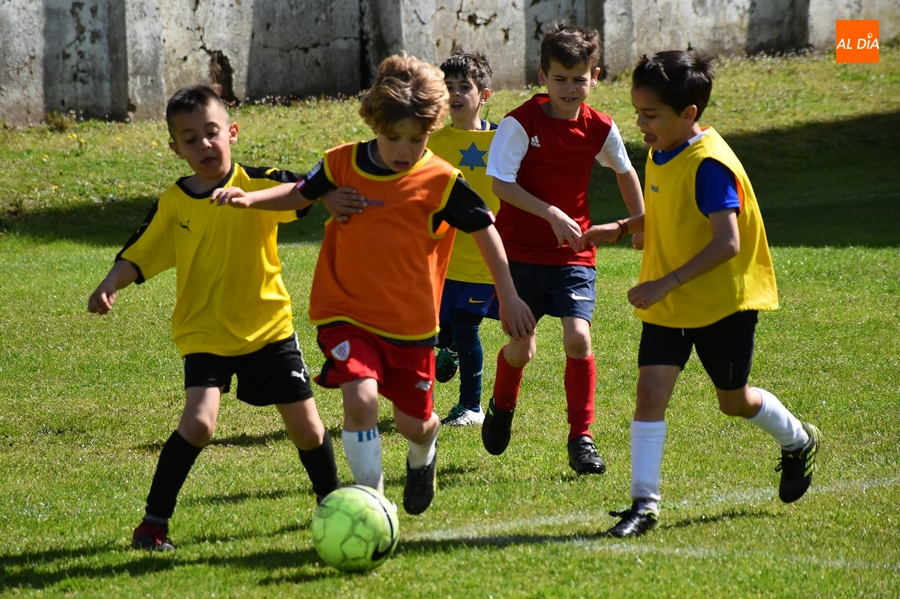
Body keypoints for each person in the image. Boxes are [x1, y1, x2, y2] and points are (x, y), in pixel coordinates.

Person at [212, 53, 535, 515]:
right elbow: (300, 192)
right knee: (359, 396)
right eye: (393, 137)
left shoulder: (441, 180)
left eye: (417, 138)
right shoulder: (342, 163)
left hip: (410, 324)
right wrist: (250, 199)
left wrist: (507, 295)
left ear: (432, 129)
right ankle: (372, 500)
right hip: (347, 313)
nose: (404, 149)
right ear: (373, 122)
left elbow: (486, 229)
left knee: (415, 424)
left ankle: (425, 453)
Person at [87, 84, 343, 551]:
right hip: (204, 332)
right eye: (190, 139)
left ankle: (335, 504)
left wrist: (330, 199)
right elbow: (140, 253)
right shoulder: (175, 202)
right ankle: (153, 524)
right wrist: (110, 282)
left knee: (307, 429)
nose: (204, 145)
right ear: (175, 148)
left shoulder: (257, 181)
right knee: (199, 424)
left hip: (268, 328)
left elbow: (306, 189)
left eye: (211, 133)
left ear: (232, 132)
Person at [578, 50, 820, 537]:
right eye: (637, 112)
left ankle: (798, 441)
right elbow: (672, 213)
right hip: (670, 305)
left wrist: (665, 280)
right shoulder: (661, 150)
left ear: (688, 114)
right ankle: (644, 505)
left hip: (720, 305)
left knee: (733, 401)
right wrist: (623, 226)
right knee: (650, 396)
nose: (640, 124)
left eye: (650, 115)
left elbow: (726, 241)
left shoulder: (710, 164)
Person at [481, 23, 644, 474]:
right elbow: (501, 184)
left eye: (579, 78)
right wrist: (550, 212)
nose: (570, 89)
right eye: (560, 79)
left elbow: (626, 172)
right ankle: (502, 405)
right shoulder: (520, 124)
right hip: (519, 253)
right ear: (542, 76)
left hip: (574, 253)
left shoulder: (600, 127)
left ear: (595, 76)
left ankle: (582, 437)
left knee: (578, 337)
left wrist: (639, 225)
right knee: (522, 350)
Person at [426, 48, 502, 427]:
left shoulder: (505, 141)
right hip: (443, 259)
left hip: (486, 259)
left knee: (467, 324)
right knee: (442, 329)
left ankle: (471, 406)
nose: (455, 94)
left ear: (484, 95)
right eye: (449, 87)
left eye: (464, 87)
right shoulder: (433, 143)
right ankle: (449, 348)